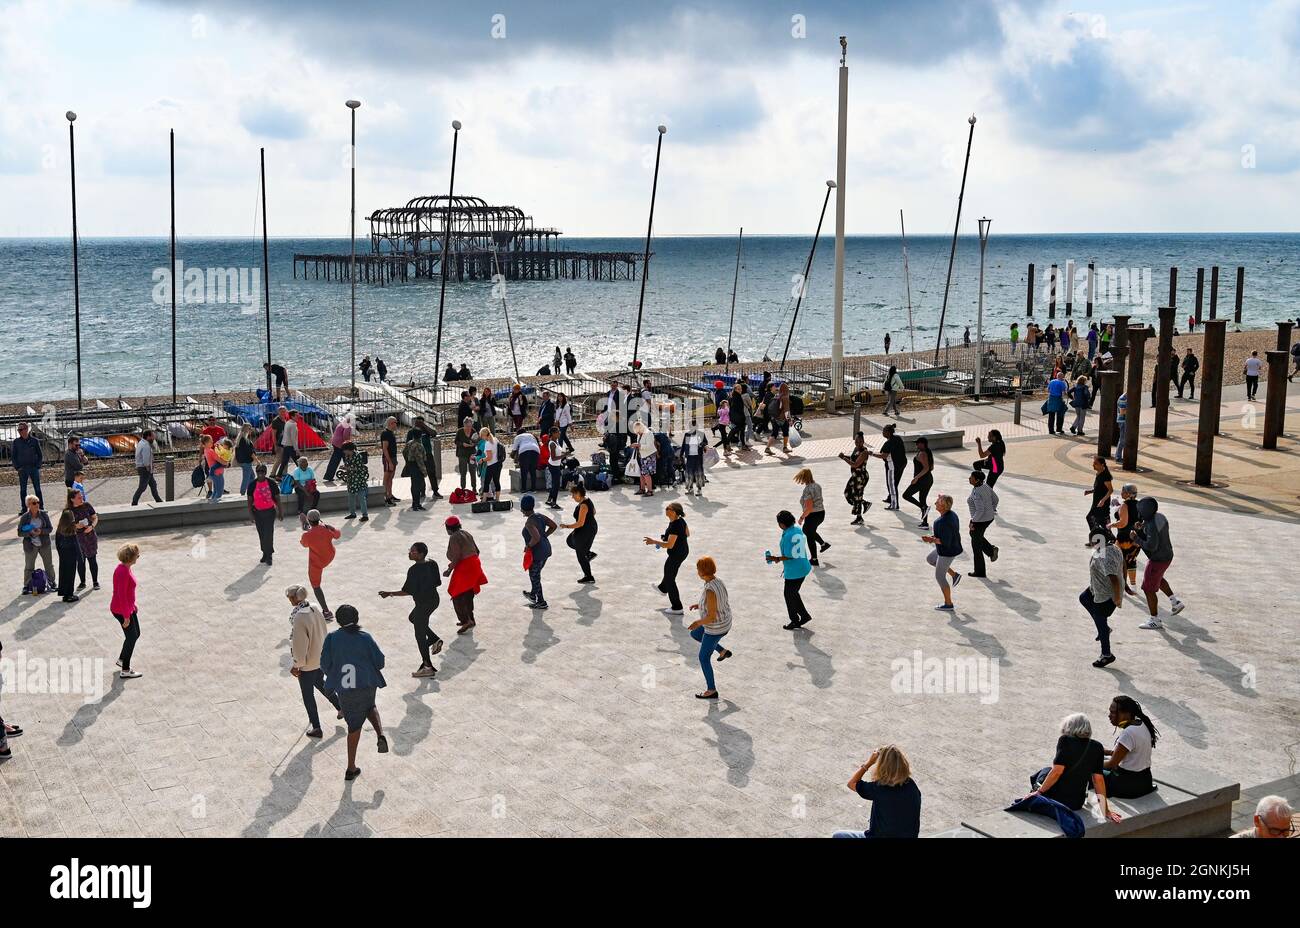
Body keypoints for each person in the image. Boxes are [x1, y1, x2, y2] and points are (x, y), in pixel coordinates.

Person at [320, 604, 388, 781]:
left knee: (354, 727)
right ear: (356, 618)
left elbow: (325, 664)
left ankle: (351, 767)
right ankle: (380, 734)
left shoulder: (332, 638)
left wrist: (335, 674)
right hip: (367, 683)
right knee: (370, 705)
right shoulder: (365, 638)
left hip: (346, 689)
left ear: (339, 621)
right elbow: (380, 662)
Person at [1026, 713, 1121, 822]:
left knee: (1045, 771)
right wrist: (1105, 810)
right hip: (1076, 803)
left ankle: (1035, 791)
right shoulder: (1097, 747)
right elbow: (1098, 780)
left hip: (1056, 798)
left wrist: (1040, 792)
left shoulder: (1065, 740)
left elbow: (1057, 771)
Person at [379, 542, 443, 678]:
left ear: (420, 554)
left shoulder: (414, 570)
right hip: (434, 600)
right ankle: (434, 639)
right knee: (412, 618)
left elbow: (406, 591)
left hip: (423, 604)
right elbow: (438, 582)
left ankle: (427, 666)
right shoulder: (432, 563)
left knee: (420, 636)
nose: (409, 553)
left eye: (413, 551)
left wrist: (389, 593)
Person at [833, 746, 922, 839]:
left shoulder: (879, 788)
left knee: (838, 835)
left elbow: (852, 783)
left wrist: (869, 763)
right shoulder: (911, 785)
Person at [287, 585, 341, 738]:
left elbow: (299, 643)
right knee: (320, 683)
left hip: (307, 662)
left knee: (308, 695)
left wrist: (297, 664)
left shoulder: (299, 617)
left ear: (294, 598)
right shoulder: (314, 607)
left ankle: (316, 727)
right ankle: (340, 706)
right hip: (320, 656)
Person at [1132, 496, 1184, 628]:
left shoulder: (1151, 525)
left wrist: (1136, 538)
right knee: (1158, 578)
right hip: (1167, 555)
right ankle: (1175, 602)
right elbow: (1153, 529)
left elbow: (1151, 546)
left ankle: (1154, 620)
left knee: (1148, 588)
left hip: (1157, 559)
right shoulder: (1160, 516)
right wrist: (1142, 526)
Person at [687, 556, 733, 699]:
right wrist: (700, 605)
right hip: (725, 620)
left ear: (701, 572)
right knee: (695, 634)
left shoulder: (709, 590)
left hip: (716, 627)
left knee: (703, 657)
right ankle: (722, 651)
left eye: (697, 569)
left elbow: (711, 617)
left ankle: (711, 690)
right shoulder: (717, 581)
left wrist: (698, 622)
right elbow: (717, 602)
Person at [1081, 529, 1124, 668]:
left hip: (1105, 595)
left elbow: (1114, 579)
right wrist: (1127, 585)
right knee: (1084, 598)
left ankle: (1106, 654)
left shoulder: (1105, 556)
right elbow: (1124, 565)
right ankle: (1104, 629)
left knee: (1100, 619)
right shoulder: (1114, 547)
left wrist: (1117, 598)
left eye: (1093, 542)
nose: (1092, 545)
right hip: (1096, 589)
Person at [1102, 695, 1158, 798]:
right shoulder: (1141, 723)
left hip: (1127, 785)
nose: (1109, 715)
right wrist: (1106, 752)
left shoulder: (1128, 733)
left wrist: (1092, 763)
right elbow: (1129, 753)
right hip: (1145, 780)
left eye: (1113, 712)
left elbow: (1112, 763)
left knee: (1089, 769)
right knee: (1101, 758)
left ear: (1126, 714)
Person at [768, 510, 813, 629]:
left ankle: (795, 620)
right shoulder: (797, 529)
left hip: (794, 571)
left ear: (782, 524)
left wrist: (776, 558)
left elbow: (789, 555)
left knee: (788, 594)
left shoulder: (788, 536)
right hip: (803, 566)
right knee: (793, 593)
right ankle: (804, 615)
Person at [444, 516, 487, 633]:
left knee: (456, 594)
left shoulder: (453, 537)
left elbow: (457, 556)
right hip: (474, 563)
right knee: (468, 593)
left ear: (448, 529)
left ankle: (465, 620)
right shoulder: (466, 533)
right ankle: (471, 619)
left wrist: (449, 570)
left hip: (465, 566)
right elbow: (477, 551)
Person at [646, 501, 689, 615]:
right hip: (683, 551)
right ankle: (662, 588)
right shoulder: (679, 521)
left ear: (674, 512)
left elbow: (669, 545)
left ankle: (677, 607)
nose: (666, 509)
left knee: (670, 578)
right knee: (669, 571)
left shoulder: (675, 525)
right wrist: (669, 537)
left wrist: (654, 541)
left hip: (677, 554)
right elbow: (687, 533)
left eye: (668, 508)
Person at [921, 495, 962, 611]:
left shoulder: (940, 522)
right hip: (954, 546)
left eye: (938, 502)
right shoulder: (952, 514)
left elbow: (944, 541)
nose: (935, 503)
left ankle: (948, 604)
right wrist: (934, 538)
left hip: (947, 552)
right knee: (930, 559)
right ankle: (954, 575)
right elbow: (946, 535)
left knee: (939, 576)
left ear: (943, 506)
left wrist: (931, 539)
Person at [109, 543, 143, 679]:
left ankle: (122, 659)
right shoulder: (122, 571)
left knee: (136, 634)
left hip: (128, 607)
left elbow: (128, 592)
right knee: (131, 636)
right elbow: (121, 595)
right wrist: (126, 616)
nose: (138, 557)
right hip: (121, 609)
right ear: (131, 557)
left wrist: (133, 605)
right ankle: (125, 669)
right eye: (137, 555)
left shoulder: (126, 568)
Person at [301, 510, 340, 619]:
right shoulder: (326, 528)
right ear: (319, 518)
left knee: (316, 585)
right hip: (330, 556)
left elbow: (303, 544)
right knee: (316, 584)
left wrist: (306, 530)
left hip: (317, 562)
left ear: (309, 521)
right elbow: (338, 535)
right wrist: (330, 527)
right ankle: (326, 612)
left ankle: (326, 612)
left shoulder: (307, 535)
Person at [520, 495, 556, 610]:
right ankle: (533, 595)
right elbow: (554, 526)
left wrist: (528, 546)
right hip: (546, 550)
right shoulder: (539, 516)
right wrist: (545, 535)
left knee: (534, 576)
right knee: (536, 575)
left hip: (537, 553)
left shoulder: (529, 523)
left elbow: (536, 537)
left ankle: (540, 601)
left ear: (522, 509)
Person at [561, 484, 597, 584]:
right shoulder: (586, 500)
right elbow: (594, 512)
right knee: (570, 540)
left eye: (573, 494)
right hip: (587, 528)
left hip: (586, 530)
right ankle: (588, 553)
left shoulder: (584, 505)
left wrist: (566, 526)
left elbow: (580, 523)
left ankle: (589, 576)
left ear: (578, 493)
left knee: (580, 554)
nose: (572, 497)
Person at [965, 470, 999, 578]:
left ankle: (980, 571)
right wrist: (991, 509)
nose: (969, 478)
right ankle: (991, 550)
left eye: (971, 477)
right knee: (975, 536)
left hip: (980, 520)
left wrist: (972, 521)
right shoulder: (985, 486)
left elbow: (980, 510)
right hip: (989, 518)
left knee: (976, 546)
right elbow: (996, 499)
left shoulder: (976, 492)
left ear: (977, 480)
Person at [18, 495, 54, 594]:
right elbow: (19, 532)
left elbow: (50, 528)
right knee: (29, 567)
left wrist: (41, 531)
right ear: (28, 505)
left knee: (49, 565)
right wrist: (30, 533)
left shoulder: (43, 514)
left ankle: (52, 583)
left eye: (38, 502)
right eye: (34, 503)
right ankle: (26, 586)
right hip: (30, 545)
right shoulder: (25, 517)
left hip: (44, 544)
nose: (37, 504)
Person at [247, 464, 282, 565]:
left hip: (270, 512)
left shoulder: (271, 483)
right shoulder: (252, 484)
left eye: (262, 472)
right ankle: (264, 553)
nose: (260, 474)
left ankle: (269, 555)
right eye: (258, 472)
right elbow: (249, 501)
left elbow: (278, 498)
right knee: (261, 534)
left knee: (268, 534)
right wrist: (250, 515)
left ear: (265, 473)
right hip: (257, 513)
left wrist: (280, 512)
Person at [794, 469, 829, 567]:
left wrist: (801, 517)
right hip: (821, 513)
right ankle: (823, 544)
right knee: (809, 531)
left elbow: (809, 508)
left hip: (813, 515)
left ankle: (814, 559)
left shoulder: (808, 489)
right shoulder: (817, 485)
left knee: (809, 534)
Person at [1110, 483, 1141, 593]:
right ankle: (1133, 586)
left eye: (1123, 491)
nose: (1121, 493)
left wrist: (1111, 525)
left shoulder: (1125, 505)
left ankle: (1123, 585)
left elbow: (1123, 523)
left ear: (1128, 493)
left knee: (1120, 562)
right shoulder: (1140, 505)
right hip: (1136, 539)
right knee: (1131, 561)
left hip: (1123, 538)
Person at [68, 487, 100, 591]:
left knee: (92, 559)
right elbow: (65, 526)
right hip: (77, 539)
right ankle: (82, 582)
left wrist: (92, 526)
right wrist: (76, 526)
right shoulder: (68, 511)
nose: (81, 498)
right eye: (79, 497)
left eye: (81, 496)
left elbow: (95, 517)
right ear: (72, 499)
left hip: (90, 537)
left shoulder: (87, 505)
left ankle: (95, 582)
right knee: (80, 561)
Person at [839, 431, 871, 525]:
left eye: (859, 441)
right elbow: (853, 458)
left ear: (863, 441)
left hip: (861, 477)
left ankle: (859, 518)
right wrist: (845, 456)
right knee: (847, 493)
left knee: (857, 495)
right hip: (855, 476)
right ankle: (864, 503)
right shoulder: (856, 448)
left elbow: (856, 464)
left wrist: (844, 459)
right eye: (856, 441)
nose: (857, 443)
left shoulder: (864, 452)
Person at [902, 435, 934, 527]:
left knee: (906, 495)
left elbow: (926, 468)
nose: (916, 445)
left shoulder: (922, 453)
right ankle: (925, 523)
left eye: (918, 443)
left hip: (922, 480)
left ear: (922, 444)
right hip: (928, 479)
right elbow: (931, 467)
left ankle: (923, 507)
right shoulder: (928, 452)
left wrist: (916, 478)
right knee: (922, 499)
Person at [407, 416, 441, 500]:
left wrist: (424, 426)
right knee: (420, 474)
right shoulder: (411, 432)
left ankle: (435, 491)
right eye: (418, 422)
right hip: (417, 456)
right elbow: (407, 444)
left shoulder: (426, 430)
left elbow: (434, 433)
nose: (419, 424)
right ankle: (422, 491)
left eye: (421, 422)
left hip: (428, 454)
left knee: (432, 472)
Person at [11, 421, 43, 510]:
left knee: (37, 489)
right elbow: (13, 457)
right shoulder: (16, 442)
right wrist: (18, 467)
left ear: (26, 429)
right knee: (23, 490)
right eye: (18, 430)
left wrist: (38, 466)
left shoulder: (34, 441)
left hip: (33, 468)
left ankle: (41, 507)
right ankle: (24, 508)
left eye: (21, 429)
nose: (19, 431)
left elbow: (40, 455)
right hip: (22, 469)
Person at [874, 423, 906, 509]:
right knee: (894, 483)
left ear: (888, 432)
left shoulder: (888, 443)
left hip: (893, 466)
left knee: (892, 485)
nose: (882, 432)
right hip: (902, 463)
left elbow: (883, 456)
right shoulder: (898, 438)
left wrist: (871, 454)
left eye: (883, 431)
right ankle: (890, 498)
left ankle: (894, 505)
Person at [1085, 454, 1113, 542]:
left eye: (1095, 463)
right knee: (1094, 519)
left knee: (1098, 520)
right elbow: (1099, 488)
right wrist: (1091, 491)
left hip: (1102, 504)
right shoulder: (1098, 474)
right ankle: (1097, 538)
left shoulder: (1105, 476)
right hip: (1096, 502)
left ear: (1102, 465)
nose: (1093, 465)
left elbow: (1110, 490)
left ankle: (1108, 539)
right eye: (1093, 463)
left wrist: (1103, 500)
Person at [54, 510, 80, 603]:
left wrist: (60, 554)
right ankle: (69, 594)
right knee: (70, 575)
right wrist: (80, 557)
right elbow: (76, 544)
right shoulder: (71, 529)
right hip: (71, 556)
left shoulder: (59, 529)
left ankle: (64, 594)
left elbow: (57, 544)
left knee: (63, 574)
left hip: (63, 556)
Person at [339, 442, 369, 522]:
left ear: (349, 449)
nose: (344, 452)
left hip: (358, 480)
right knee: (351, 497)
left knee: (361, 498)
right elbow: (348, 466)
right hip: (351, 480)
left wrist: (347, 468)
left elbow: (358, 468)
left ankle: (365, 515)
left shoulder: (358, 456)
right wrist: (345, 467)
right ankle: (352, 513)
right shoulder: (347, 456)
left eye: (344, 450)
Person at [402, 431, 429, 511]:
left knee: (414, 485)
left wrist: (407, 461)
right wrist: (424, 471)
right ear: (420, 436)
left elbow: (404, 452)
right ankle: (416, 504)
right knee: (418, 485)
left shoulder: (409, 443)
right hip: (416, 466)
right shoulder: (418, 446)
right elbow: (419, 460)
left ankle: (415, 503)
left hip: (411, 465)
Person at [680, 420, 709, 496]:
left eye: (693, 426)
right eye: (690, 426)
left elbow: (706, 443)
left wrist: (701, 444)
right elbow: (683, 445)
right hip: (689, 457)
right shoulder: (687, 435)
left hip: (698, 457)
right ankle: (690, 488)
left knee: (699, 473)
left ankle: (699, 489)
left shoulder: (701, 434)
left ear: (696, 427)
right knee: (689, 473)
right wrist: (680, 455)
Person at [289, 456, 319, 529]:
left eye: (306, 462)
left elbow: (313, 479)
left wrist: (313, 488)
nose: (305, 464)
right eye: (303, 462)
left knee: (317, 493)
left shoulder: (310, 469)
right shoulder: (297, 471)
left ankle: (313, 509)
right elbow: (297, 483)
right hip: (300, 487)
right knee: (301, 495)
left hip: (309, 486)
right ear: (299, 464)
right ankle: (300, 511)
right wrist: (306, 492)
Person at [323, 416, 354, 483]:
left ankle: (329, 475)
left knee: (335, 459)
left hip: (335, 442)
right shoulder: (348, 426)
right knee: (347, 458)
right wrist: (349, 444)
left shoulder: (342, 423)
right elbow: (345, 436)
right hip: (340, 444)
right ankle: (351, 473)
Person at [764, 383, 792, 455]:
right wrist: (789, 420)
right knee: (785, 433)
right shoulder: (785, 397)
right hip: (782, 418)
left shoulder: (777, 395)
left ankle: (767, 448)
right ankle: (785, 448)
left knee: (774, 433)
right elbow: (786, 410)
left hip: (774, 417)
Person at [511, 427, 541, 493]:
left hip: (524, 451)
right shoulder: (531, 435)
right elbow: (538, 445)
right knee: (533, 470)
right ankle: (533, 489)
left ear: (518, 433)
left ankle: (524, 489)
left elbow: (514, 450)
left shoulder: (518, 437)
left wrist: (512, 456)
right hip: (535, 451)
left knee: (524, 471)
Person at [478, 427, 504, 501]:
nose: (481, 438)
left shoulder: (488, 443)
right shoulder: (495, 440)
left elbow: (489, 457)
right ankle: (497, 499)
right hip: (498, 464)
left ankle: (484, 500)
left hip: (491, 465)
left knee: (486, 482)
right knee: (496, 482)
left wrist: (482, 460)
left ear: (484, 435)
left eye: (481, 436)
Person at [632, 420, 657, 496]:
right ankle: (642, 489)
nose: (637, 433)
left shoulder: (649, 434)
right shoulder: (640, 434)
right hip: (642, 456)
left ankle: (650, 491)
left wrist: (638, 445)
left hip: (649, 455)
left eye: (637, 431)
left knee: (646, 474)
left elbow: (649, 446)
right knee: (641, 474)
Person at [453, 417, 478, 492]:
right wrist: (462, 444)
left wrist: (473, 444)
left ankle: (474, 488)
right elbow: (456, 441)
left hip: (472, 453)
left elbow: (477, 441)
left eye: (470, 426)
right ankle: (463, 488)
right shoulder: (460, 431)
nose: (469, 428)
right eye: (467, 426)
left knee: (473, 471)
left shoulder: (473, 431)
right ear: (464, 425)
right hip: (462, 454)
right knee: (463, 472)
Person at [379, 416, 400, 506]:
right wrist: (390, 462)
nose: (396, 424)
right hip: (388, 458)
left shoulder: (391, 433)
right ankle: (385, 497)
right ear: (391, 423)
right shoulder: (385, 434)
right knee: (387, 478)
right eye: (395, 423)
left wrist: (395, 460)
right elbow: (385, 448)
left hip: (393, 458)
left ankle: (390, 495)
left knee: (390, 478)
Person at [274, 409, 300, 480]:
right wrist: (296, 449)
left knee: (284, 462)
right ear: (292, 416)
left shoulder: (288, 422)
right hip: (291, 446)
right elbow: (293, 438)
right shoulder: (293, 424)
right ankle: (304, 474)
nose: (298, 417)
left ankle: (278, 476)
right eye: (297, 416)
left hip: (285, 445)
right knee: (299, 461)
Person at [544, 427, 565, 510]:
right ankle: (554, 503)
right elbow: (553, 458)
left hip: (556, 465)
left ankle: (549, 500)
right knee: (556, 485)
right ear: (553, 433)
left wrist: (564, 453)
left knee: (555, 483)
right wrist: (565, 455)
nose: (559, 433)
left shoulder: (556, 441)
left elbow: (558, 452)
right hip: (553, 465)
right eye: (557, 432)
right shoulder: (552, 443)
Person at [234, 423, 257, 497]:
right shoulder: (244, 440)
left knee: (252, 476)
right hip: (246, 462)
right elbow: (250, 452)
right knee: (246, 478)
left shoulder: (240, 438)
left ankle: (250, 490)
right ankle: (242, 492)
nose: (251, 430)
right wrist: (257, 461)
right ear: (247, 429)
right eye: (250, 428)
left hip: (243, 461)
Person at [1044, 370, 1069, 435]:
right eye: (1063, 377)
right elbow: (1063, 393)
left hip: (1051, 398)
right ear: (1062, 377)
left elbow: (1048, 390)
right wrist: (1064, 398)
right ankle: (1059, 429)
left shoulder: (1051, 381)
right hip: (1058, 399)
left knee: (1051, 415)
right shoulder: (1062, 383)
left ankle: (1051, 430)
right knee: (1060, 415)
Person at [1113, 392, 1127, 464]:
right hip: (1123, 421)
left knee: (1123, 439)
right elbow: (1122, 411)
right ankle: (1118, 457)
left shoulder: (1125, 397)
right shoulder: (1123, 398)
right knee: (1122, 439)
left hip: (1124, 421)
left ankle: (1119, 457)